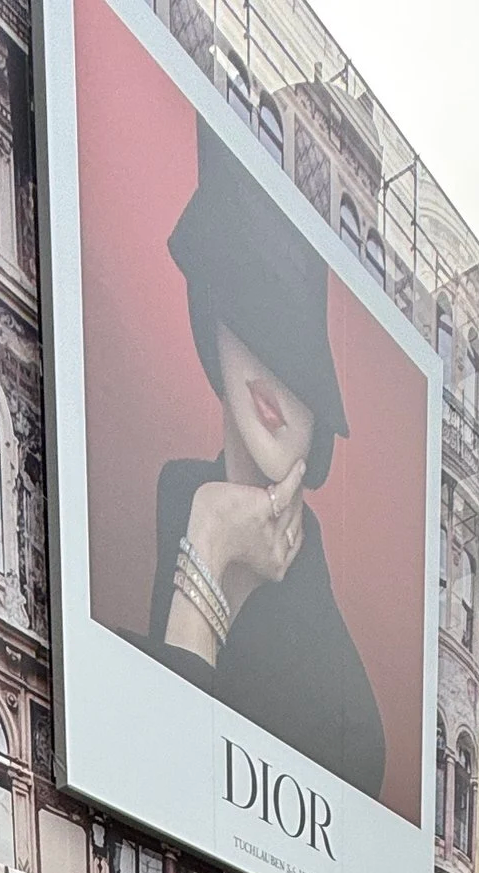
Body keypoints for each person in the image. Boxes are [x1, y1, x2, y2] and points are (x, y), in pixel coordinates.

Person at [138, 125, 386, 798]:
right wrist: (207, 539)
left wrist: (212, 541)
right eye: (248, 314)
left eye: (300, 363)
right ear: (212, 314)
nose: (276, 377)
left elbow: (172, 787)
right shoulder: (176, 502)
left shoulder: (344, 706)